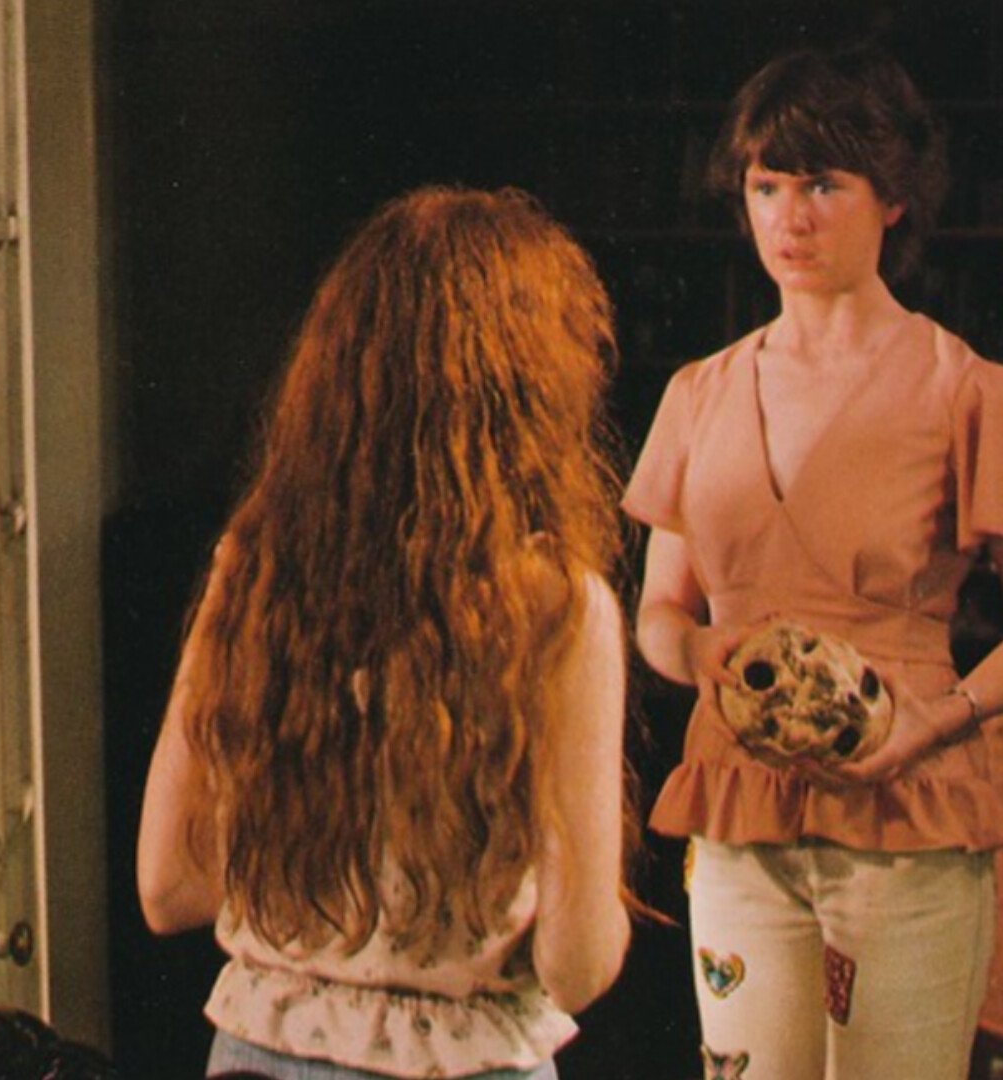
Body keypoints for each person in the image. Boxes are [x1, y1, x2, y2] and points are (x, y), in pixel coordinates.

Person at [623, 45, 1003, 1080]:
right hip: (739, 804)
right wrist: (700, 655)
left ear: (894, 198)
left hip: (905, 807)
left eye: (823, 185)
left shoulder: (970, 391)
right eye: (767, 187)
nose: (790, 217)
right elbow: (659, 611)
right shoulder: (699, 394)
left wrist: (941, 718)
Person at [137, 186, 633, 1080]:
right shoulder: (556, 609)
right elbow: (578, 964)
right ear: (535, 388)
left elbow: (168, 886)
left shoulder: (257, 570)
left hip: (256, 1051)